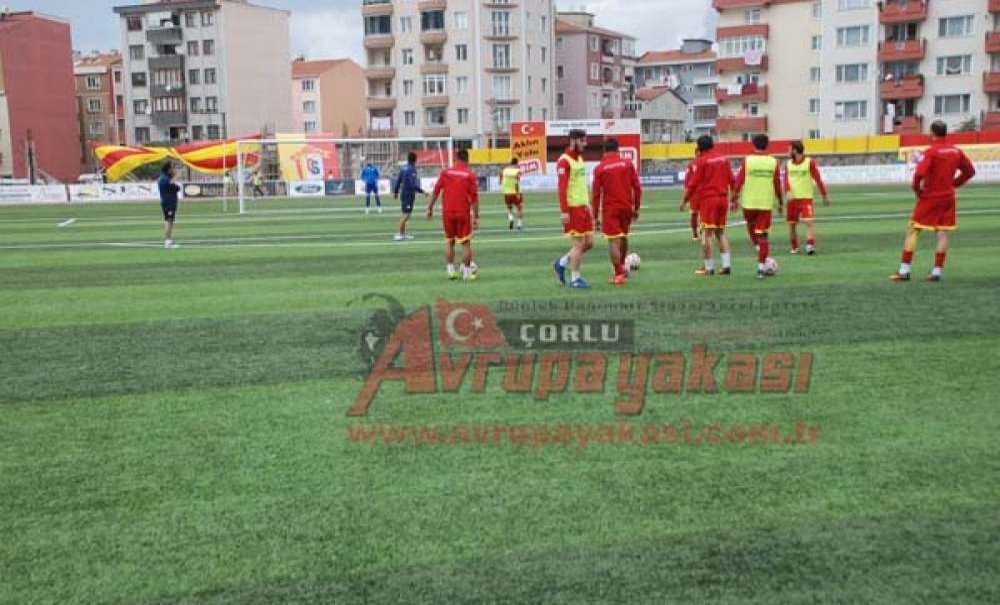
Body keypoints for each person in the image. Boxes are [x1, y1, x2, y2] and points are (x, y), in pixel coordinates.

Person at [891, 120, 975, 282]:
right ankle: (937, 272)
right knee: (942, 233)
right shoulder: (956, 151)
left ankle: (904, 271)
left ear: (932, 133)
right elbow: (970, 171)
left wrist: (917, 189)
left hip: (930, 196)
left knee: (913, 229)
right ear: (946, 133)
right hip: (948, 197)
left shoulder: (931, 152)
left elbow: (919, 174)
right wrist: (954, 184)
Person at [681, 135, 735, 277]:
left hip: (709, 200)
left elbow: (693, 183)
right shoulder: (723, 159)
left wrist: (684, 200)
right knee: (720, 232)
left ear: (700, 148)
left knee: (706, 234)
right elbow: (732, 180)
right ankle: (726, 265)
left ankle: (709, 268)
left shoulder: (702, 161)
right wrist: (735, 198)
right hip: (723, 199)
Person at [592, 138, 642, 286]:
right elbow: (637, 187)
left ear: (604, 150)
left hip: (610, 209)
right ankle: (621, 269)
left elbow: (596, 194)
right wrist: (636, 207)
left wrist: (595, 216)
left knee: (613, 241)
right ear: (618, 149)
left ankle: (619, 273)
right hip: (626, 207)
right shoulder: (627, 164)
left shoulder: (600, 168)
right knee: (624, 237)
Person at [733, 134, 784, 280]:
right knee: (763, 236)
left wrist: (733, 199)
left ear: (753, 144)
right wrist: (780, 202)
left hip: (748, 204)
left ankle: (761, 254)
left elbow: (739, 181)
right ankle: (761, 269)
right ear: (767, 145)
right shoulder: (773, 162)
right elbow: (777, 185)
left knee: (753, 232)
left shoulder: (747, 161)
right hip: (765, 204)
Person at [426, 149, 480, 281]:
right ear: (467, 160)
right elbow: (474, 198)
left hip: (447, 212)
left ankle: (451, 271)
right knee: (466, 243)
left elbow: (436, 191)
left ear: (456, 159)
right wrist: (476, 216)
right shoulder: (469, 175)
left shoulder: (446, 172)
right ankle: (467, 274)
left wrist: (430, 208)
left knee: (449, 242)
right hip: (463, 212)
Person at [553, 129, 595, 289]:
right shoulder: (564, 161)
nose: (585, 144)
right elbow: (562, 188)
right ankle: (575, 279)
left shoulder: (579, 159)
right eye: (582, 141)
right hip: (573, 208)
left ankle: (561, 263)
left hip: (583, 207)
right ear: (573, 140)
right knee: (578, 245)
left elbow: (581, 185)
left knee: (589, 243)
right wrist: (564, 211)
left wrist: (588, 204)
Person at [784, 140, 830, 255]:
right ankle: (794, 248)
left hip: (806, 198)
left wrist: (824, 195)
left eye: (789, 149)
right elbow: (785, 180)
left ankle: (810, 246)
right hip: (792, 200)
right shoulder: (788, 164)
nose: (788, 151)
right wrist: (787, 191)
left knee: (809, 222)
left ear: (795, 150)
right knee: (792, 225)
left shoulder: (809, 162)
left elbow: (818, 179)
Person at [392, 152, 425, 241]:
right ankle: (399, 234)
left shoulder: (403, 168)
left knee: (406, 214)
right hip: (408, 195)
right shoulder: (412, 169)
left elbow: (398, 181)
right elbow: (412, 184)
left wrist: (395, 192)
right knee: (406, 215)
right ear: (415, 160)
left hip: (404, 194)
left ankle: (402, 234)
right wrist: (422, 191)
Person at [158, 162, 181, 250]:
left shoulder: (165, 178)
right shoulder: (165, 179)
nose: (174, 170)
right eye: (172, 168)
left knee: (170, 221)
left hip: (168, 203)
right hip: (169, 203)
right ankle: (167, 241)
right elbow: (176, 188)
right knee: (169, 221)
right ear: (168, 169)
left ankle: (169, 240)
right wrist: (175, 177)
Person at [501, 158, 524, 231]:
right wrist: (517, 193)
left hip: (506, 192)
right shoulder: (517, 171)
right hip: (515, 192)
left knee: (509, 208)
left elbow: (501, 178)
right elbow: (516, 182)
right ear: (516, 163)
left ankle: (511, 218)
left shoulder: (505, 170)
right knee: (519, 208)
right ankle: (519, 224)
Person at [684, 154, 700, 240]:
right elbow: (687, 181)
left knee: (696, 214)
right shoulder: (691, 165)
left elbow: (686, 182)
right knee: (695, 214)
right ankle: (696, 233)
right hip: (697, 193)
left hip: (700, 193)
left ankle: (697, 233)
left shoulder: (691, 164)